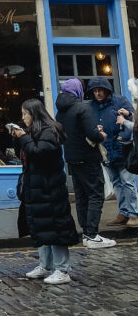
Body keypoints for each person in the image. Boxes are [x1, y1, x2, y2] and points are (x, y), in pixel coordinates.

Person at [8, 99, 78, 285]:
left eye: (25, 113)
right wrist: (17, 138)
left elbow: (38, 153)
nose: (23, 117)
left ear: (34, 113)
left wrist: (23, 137)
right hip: (36, 188)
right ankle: (45, 265)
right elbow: (25, 153)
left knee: (55, 228)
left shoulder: (49, 131)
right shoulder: (32, 131)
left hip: (50, 188)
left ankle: (62, 269)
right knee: (41, 227)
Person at [55, 78, 114, 248]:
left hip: (72, 158)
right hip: (88, 158)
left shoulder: (60, 112)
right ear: (77, 91)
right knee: (95, 194)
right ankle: (92, 235)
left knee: (81, 196)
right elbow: (93, 134)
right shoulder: (83, 108)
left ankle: (86, 233)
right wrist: (101, 135)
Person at [86, 78, 138, 228]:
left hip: (122, 148)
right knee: (116, 182)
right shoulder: (90, 106)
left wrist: (126, 119)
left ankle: (134, 213)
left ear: (107, 90)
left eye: (100, 90)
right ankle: (123, 212)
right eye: (95, 91)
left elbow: (134, 120)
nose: (98, 93)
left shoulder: (120, 100)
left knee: (127, 182)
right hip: (105, 150)